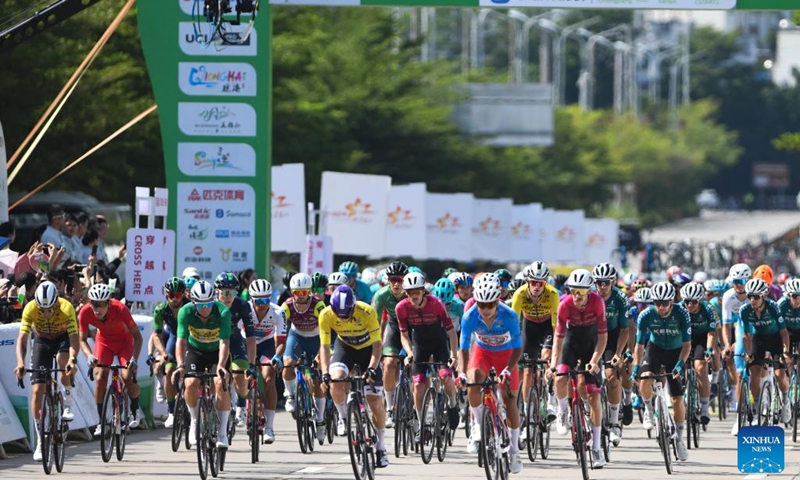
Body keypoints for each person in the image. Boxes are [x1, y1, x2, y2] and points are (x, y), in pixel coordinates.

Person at [459, 274, 523, 474]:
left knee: (509, 400)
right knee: (472, 380)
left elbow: (518, 348)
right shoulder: (470, 316)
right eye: (481, 305)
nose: (485, 310)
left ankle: (513, 450)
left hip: (507, 355)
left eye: (489, 305)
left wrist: (507, 369)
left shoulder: (509, 315)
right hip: (482, 353)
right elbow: (463, 349)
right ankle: (478, 425)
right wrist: (461, 372)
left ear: (497, 301)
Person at [319, 285, 389, 468]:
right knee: (336, 380)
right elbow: (325, 347)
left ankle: (381, 447)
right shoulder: (325, 315)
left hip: (368, 351)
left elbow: (377, 346)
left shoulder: (367, 311)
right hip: (345, 348)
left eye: (346, 314)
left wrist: (373, 368)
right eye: (339, 314)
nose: (342, 318)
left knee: (375, 402)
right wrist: (325, 372)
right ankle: (343, 418)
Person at [14, 281, 80, 461]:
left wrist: (72, 360)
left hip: (62, 338)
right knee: (37, 390)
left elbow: (74, 338)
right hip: (42, 341)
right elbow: (22, 339)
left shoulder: (66, 307)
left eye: (50, 309)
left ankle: (67, 400)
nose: (46, 313)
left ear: (56, 303)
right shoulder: (30, 309)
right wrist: (20, 363)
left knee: (62, 361)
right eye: (42, 310)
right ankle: (41, 441)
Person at [552, 269, 607, 469]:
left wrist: (594, 360)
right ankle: (563, 411)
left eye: (581, 292)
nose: (576, 295)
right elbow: (558, 337)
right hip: (571, 344)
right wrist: (552, 363)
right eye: (573, 291)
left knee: (592, 394)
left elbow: (602, 337)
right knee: (560, 377)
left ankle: (597, 447)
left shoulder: (597, 302)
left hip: (591, 345)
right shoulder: (564, 304)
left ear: (589, 291)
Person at [396, 271, 459, 442]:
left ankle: (453, 405)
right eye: (410, 293)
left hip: (439, 344)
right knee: (417, 384)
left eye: (417, 292)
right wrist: (409, 353)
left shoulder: (436, 304)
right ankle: (422, 425)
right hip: (420, 345)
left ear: (423, 290)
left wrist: (454, 354)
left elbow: (451, 331)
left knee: (445, 377)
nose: (413, 296)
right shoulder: (401, 308)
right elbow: (404, 335)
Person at [632, 281, 691, 462]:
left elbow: (687, 345)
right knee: (646, 377)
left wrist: (680, 365)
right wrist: (635, 366)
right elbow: (640, 345)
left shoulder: (682, 313)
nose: (661, 307)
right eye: (657, 303)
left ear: (672, 301)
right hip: (655, 349)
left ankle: (680, 440)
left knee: (677, 398)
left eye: (665, 303)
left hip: (676, 352)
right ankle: (649, 409)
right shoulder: (646, 315)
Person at [173, 281, 232, 449]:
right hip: (195, 351)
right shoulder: (185, 312)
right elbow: (181, 341)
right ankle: (194, 421)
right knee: (190, 383)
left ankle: (222, 432)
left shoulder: (223, 312)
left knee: (220, 383)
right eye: (200, 304)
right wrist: (180, 365)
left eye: (208, 303)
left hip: (217, 352)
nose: (205, 308)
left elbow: (224, 342)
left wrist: (221, 365)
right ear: (193, 302)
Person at [79, 283, 144, 434]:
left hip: (124, 342)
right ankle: (101, 421)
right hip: (104, 342)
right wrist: (89, 356)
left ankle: (134, 409)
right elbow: (82, 340)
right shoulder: (85, 312)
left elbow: (138, 338)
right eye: (94, 305)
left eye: (101, 305)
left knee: (127, 375)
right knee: (101, 376)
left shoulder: (120, 309)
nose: (97, 309)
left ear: (108, 302)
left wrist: (134, 359)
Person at [281, 273, 327, 441]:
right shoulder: (286, 306)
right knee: (288, 364)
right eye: (297, 293)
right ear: (292, 292)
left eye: (305, 293)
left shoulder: (318, 305)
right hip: (297, 336)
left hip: (316, 339)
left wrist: (320, 356)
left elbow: (325, 332)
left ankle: (321, 420)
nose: (301, 297)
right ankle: (290, 394)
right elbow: (280, 330)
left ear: (310, 292)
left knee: (314, 379)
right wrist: (278, 352)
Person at [511, 261, 559, 423]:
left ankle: (552, 401)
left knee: (547, 358)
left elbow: (555, 326)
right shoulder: (520, 294)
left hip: (547, 328)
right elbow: (514, 325)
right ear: (527, 282)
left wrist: (555, 353)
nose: (537, 286)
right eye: (533, 282)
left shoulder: (552, 294)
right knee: (527, 370)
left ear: (545, 283)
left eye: (541, 283)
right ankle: (527, 410)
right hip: (529, 327)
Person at [740, 278, 792, 425]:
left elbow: (784, 332)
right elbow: (747, 335)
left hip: (775, 338)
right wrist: (749, 353)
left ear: (763, 296)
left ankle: (786, 400)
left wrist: (785, 351)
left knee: (779, 374)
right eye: (749, 296)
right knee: (754, 373)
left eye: (756, 297)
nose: (752, 300)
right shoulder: (745, 310)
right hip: (759, 339)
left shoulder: (773, 307)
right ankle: (757, 410)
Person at [591, 262, 630, 445]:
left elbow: (624, 330)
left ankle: (614, 423)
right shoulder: (588, 296)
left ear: (613, 282)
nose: (603, 286)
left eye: (607, 282)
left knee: (611, 376)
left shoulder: (620, 298)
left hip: (612, 337)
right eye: (599, 282)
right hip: (591, 336)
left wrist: (618, 353)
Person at [214, 272, 257, 428]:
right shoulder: (210, 304)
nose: (228, 296)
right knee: (214, 379)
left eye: (232, 292)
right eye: (225, 292)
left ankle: (240, 405)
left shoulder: (243, 305)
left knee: (240, 374)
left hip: (234, 340)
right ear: (216, 292)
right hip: (214, 342)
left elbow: (251, 338)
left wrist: (251, 364)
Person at [247, 279, 287, 443]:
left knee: (269, 378)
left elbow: (281, 341)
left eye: (266, 300)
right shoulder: (245, 310)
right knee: (243, 376)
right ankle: (241, 408)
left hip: (267, 345)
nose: (262, 304)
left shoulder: (278, 312)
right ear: (251, 299)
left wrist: (277, 356)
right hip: (247, 343)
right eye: (258, 300)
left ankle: (269, 426)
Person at [371, 260, 408, 428]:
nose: (396, 283)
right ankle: (390, 407)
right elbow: (375, 325)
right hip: (394, 326)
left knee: (416, 367)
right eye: (393, 279)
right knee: (389, 363)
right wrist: (374, 351)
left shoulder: (413, 293)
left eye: (400, 279)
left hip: (414, 327)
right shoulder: (381, 295)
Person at [150, 277, 189, 427]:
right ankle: (172, 411)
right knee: (169, 371)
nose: (174, 299)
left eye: (178, 295)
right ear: (166, 295)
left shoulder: (190, 306)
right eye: (171, 295)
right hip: (174, 336)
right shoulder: (161, 310)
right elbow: (156, 335)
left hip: (190, 337)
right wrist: (163, 352)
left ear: (184, 295)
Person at [679, 282, 717, 425]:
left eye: (694, 302)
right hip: (682, 339)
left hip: (702, 338)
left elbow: (712, 333)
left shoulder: (708, 308)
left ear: (700, 300)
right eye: (687, 301)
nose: (690, 305)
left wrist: (709, 350)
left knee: (700, 367)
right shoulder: (679, 308)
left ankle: (705, 408)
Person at [721, 263, 751, 435]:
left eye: (742, 281)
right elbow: (726, 325)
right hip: (740, 327)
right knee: (739, 372)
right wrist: (726, 345)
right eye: (735, 281)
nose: (738, 284)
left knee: (758, 368)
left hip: (757, 328)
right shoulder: (728, 296)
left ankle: (761, 402)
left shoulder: (755, 293)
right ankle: (740, 416)